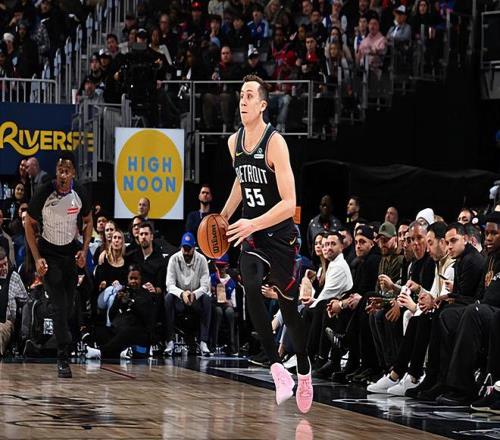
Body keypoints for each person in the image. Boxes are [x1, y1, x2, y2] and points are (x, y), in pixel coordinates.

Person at [221, 75, 313, 413]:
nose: (242, 100)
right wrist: (224, 216)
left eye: (249, 96)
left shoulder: (275, 143)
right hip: (253, 234)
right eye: (240, 95)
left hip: (281, 236)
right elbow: (241, 181)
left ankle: (303, 369)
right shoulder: (234, 142)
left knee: (289, 310)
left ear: (262, 105)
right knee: (250, 285)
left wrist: (253, 222)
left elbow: (290, 204)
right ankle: (277, 369)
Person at [24, 152, 92, 378]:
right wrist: (37, 258)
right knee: (60, 306)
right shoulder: (44, 191)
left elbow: (88, 221)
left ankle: (51, 341)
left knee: (69, 306)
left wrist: (84, 250)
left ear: (73, 173)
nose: (63, 175)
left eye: (67, 171)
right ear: (56, 172)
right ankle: (63, 357)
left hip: (70, 252)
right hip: (49, 253)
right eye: (60, 171)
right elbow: (28, 223)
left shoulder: (79, 192)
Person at [164, 232, 211, 356]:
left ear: (194, 248)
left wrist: (194, 294)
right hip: (179, 299)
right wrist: (182, 294)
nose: (186, 252)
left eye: (188, 249)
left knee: (207, 299)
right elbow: (169, 285)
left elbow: (205, 286)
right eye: (184, 248)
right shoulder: (174, 259)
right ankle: (170, 341)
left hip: (195, 298)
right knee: (168, 298)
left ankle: (203, 342)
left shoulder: (202, 260)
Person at [0, 246, 28, 356]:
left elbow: (25, 302)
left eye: (5, 264)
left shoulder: (14, 277)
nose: (4, 268)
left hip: (5, 322)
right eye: (0, 266)